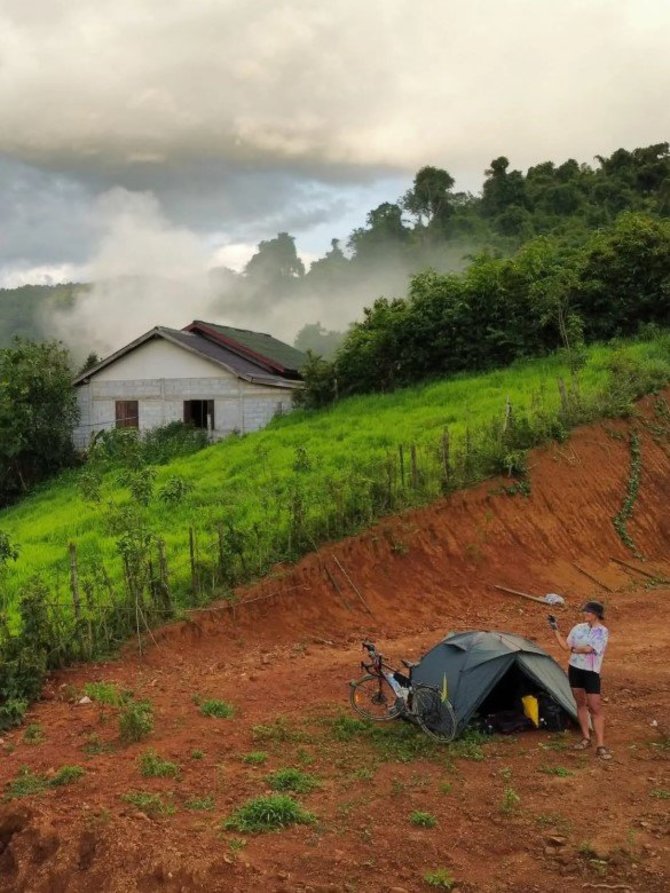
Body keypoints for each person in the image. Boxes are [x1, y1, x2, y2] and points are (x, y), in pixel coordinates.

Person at [549, 601, 611, 760]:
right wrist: (555, 628)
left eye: (588, 612)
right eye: (585, 612)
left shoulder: (602, 631)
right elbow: (565, 646)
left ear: (596, 614)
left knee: (595, 707)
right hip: (575, 668)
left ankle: (601, 745)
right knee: (580, 703)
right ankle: (586, 738)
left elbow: (589, 649)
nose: (585, 614)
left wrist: (574, 649)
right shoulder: (578, 628)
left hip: (591, 671)